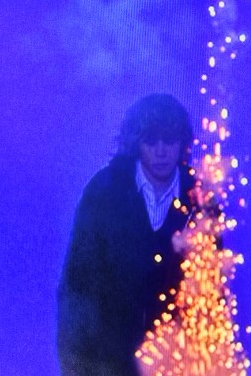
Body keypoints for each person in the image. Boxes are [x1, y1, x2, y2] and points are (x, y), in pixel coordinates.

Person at [57, 93, 196, 376]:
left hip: (176, 358)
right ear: (136, 142)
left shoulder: (199, 197)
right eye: (151, 140)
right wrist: (75, 358)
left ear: (182, 142)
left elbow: (212, 283)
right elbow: (78, 278)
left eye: (169, 140)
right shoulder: (104, 192)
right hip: (106, 357)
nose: (160, 151)